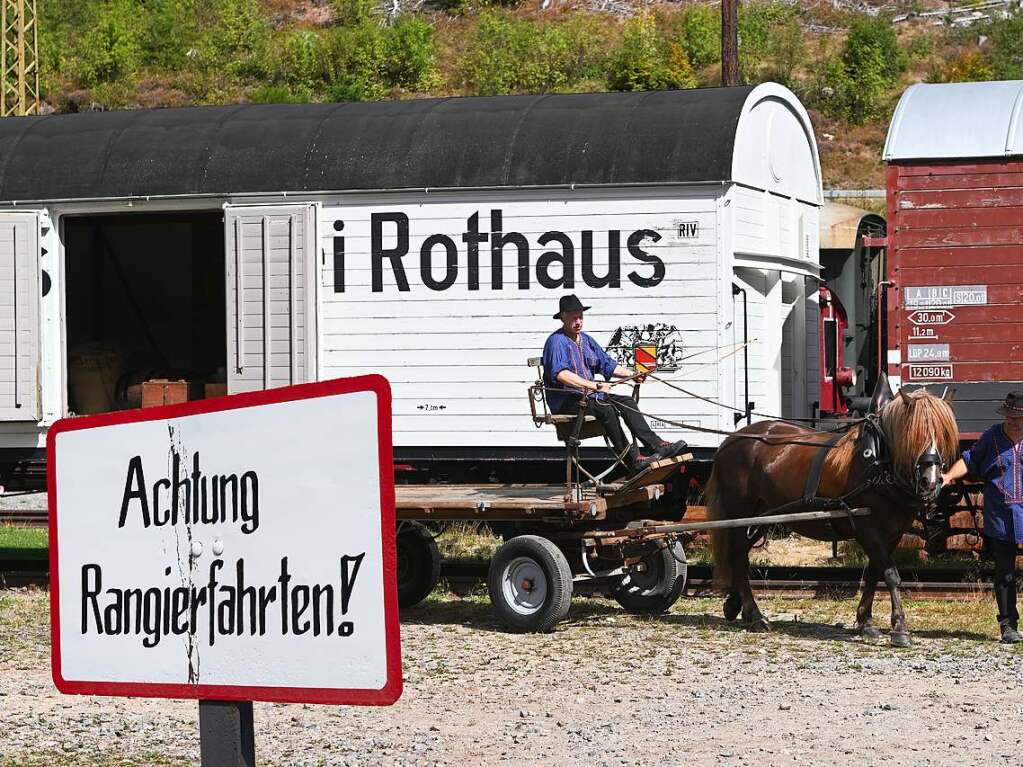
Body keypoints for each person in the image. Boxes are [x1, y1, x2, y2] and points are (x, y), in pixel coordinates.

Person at [542, 294, 687, 474]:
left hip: (589, 398)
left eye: (580, 317)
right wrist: (593, 385)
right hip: (568, 402)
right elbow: (561, 375)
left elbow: (607, 364)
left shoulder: (586, 340)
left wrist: (632, 375)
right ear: (563, 316)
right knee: (606, 407)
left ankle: (656, 446)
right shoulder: (556, 342)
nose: (578, 321)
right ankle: (632, 459)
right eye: (573, 317)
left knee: (627, 402)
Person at [942, 391, 1023, 644]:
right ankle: (1008, 625)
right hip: (1001, 515)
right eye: (1009, 416)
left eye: (1018, 417)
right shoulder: (991, 438)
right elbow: (969, 460)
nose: (1013, 421)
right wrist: (948, 476)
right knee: (1005, 574)